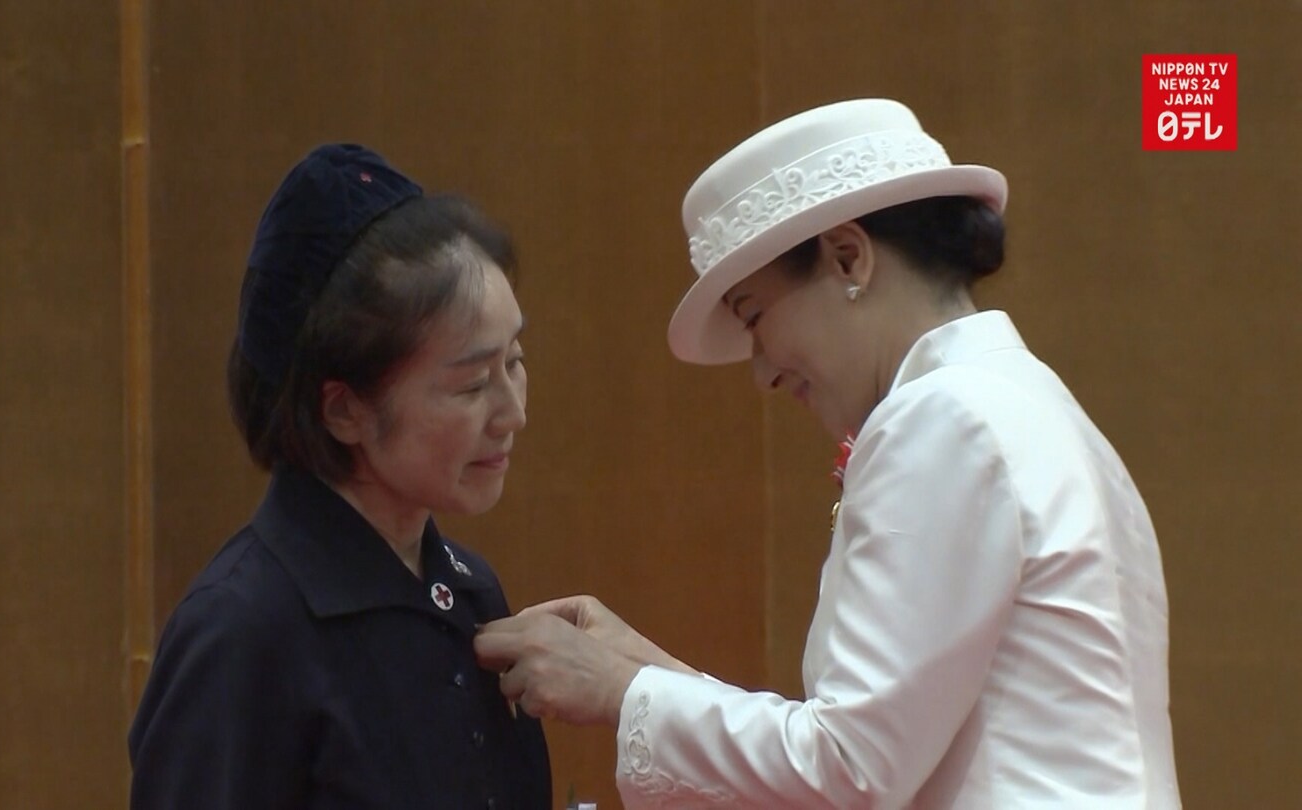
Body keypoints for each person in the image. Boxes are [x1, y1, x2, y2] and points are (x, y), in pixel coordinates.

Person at [475, 99, 1180, 807]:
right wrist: (640, 670)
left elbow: (850, 767)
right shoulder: (1025, 402)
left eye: (754, 316)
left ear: (849, 256)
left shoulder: (941, 418)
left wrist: (621, 689)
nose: (762, 373)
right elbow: (870, 744)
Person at [129, 144, 551, 809]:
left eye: (516, 362)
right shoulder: (241, 631)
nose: (513, 413)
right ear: (345, 409)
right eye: (472, 385)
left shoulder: (469, 595)